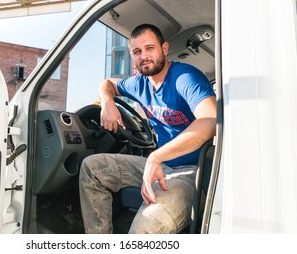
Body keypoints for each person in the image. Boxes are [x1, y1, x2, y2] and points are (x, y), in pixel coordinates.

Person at [79, 23, 217, 234]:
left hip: (192, 172)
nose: (144, 56)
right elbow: (107, 83)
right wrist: (108, 103)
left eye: (150, 48)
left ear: (164, 48)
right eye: (137, 51)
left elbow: (210, 121)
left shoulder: (184, 78)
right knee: (92, 168)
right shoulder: (139, 84)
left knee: (144, 231)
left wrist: (156, 157)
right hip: (161, 166)